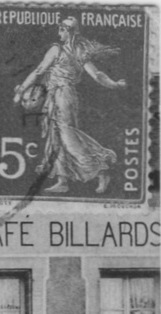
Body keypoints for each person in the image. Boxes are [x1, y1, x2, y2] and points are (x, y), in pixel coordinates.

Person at [13, 17, 128, 194]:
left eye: (61, 29)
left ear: (67, 31)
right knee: (56, 137)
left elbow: (38, 71)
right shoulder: (80, 50)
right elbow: (97, 75)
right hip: (63, 96)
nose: (59, 33)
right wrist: (115, 84)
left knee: (67, 136)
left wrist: (21, 90)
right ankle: (63, 180)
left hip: (62, 95)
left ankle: (102, 167)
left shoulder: (56, 49)